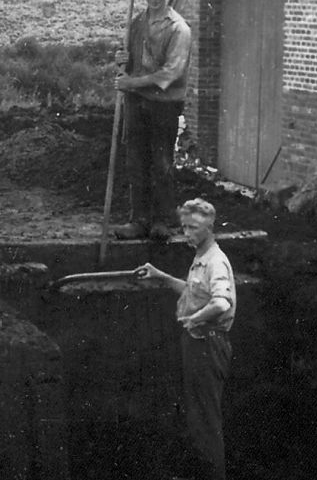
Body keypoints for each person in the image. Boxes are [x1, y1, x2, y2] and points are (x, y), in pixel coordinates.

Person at [134, 198, 235, 480]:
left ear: (209, 228)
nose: (187, 234)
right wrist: (161, 276)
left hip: (208, 343)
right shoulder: (201, 258)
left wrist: (196, 318)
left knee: (206, 420)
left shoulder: (215, 262)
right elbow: (193, 292)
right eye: (184, 227)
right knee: (197, 416)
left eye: (194, 228)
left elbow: (222, 303)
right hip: (197, 341)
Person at [113, 0, 192, 242]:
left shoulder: (179, 29)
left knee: (161, 163)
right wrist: (121, 59)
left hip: (163, 106)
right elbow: (131, 61)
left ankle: (164, 222)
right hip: (136, 104)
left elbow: (168, 75)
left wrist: (131, 83)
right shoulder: (136, 24)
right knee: (136, 161)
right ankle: (139, 220)